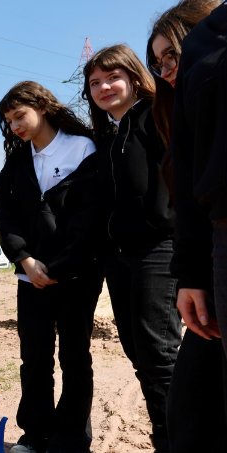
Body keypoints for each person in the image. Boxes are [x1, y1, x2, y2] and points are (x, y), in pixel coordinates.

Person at [83, 45, 182, 453]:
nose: (104, 87)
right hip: (120, 258)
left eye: (112, 77)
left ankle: (178, 440)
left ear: (133, 76)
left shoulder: (156, 115)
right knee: (139, 354)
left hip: (158, 250)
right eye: (95, 83)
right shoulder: (109, 136)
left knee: (160, 355)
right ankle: (167, 436)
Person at [0, 81, 101, 453]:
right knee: (34, 357)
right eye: (9, 120)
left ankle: (71, 438)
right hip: (30, 277)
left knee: (74, 356)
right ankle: (36, 433)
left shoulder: (82, 148)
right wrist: (24, 259)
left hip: (76, 275)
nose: (15, 126)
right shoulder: (17, 162)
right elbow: (6, 217)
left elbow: (89, 218)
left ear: (42, 107)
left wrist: (56, 267)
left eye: (19, 115)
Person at [145, 2, 227, 451]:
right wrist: (193, 274)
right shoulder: (170, 117)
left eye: (169, 56)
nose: (164, 70)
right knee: (191, 410)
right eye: (157, 63)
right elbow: (190, 202)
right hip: (207, 265)